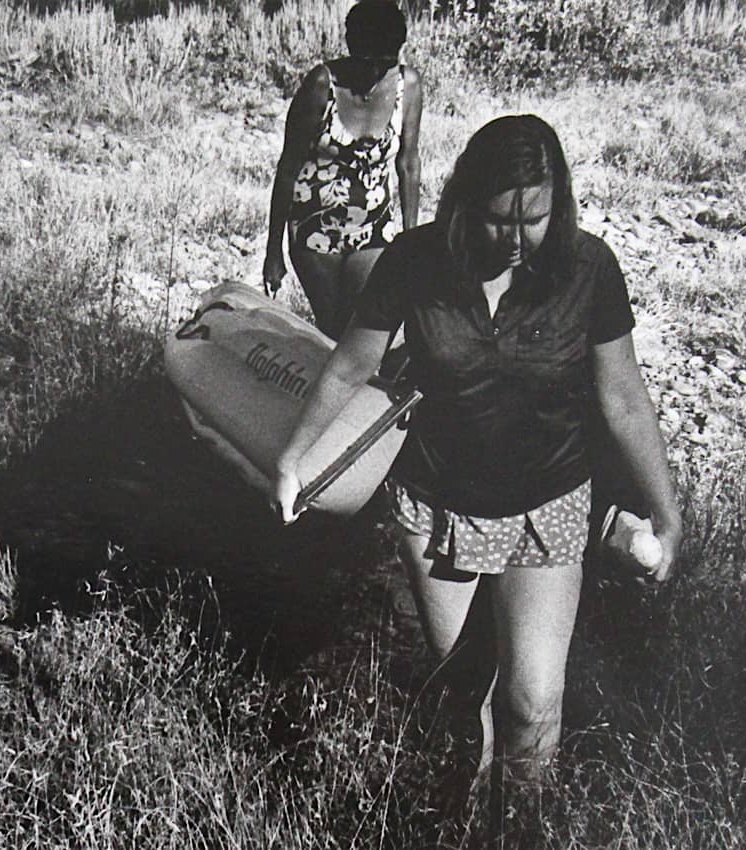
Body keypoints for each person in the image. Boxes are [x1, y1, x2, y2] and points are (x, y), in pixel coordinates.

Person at [272, 114, 683, 787]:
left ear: (559, 205)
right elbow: (349, 368)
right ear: (465, 201)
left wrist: (665, 516)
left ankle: (524, 819)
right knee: (464, 691)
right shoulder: (413, 259)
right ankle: (469, 813)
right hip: (435, 506)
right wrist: (293, 462)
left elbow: (624, 399)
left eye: (534, 221)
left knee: (531, 701)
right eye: (498, 221)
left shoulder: (588, 268)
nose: (516, 240)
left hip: (546, 504)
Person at [262, 0, 423, 340]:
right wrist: (273, 250)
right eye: (368, 61)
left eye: (387, 62)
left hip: (374, 223)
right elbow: (287, 168)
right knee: (333, 327)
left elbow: (408, 163)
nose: (377, 72)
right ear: (352, 47)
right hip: (314, 225)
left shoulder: (407, 86)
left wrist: (411, 241)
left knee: (365, 325)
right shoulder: (321, 86)